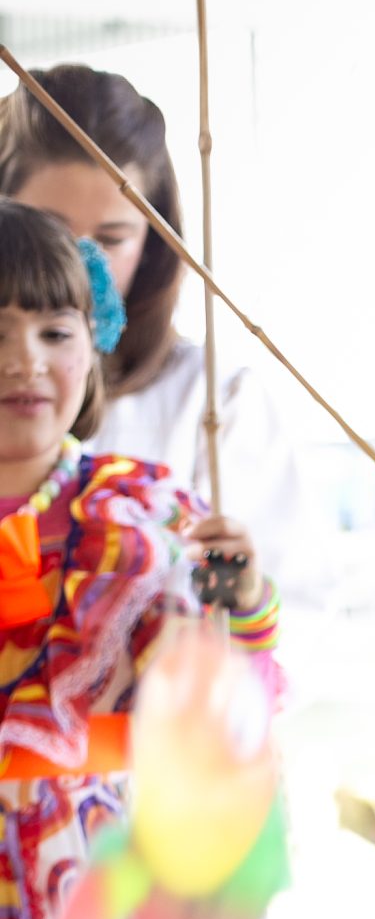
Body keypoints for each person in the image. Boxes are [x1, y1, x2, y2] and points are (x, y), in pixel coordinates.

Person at [0, 202, 281, 919]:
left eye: (54, 331)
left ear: (92, 345)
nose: (24, 361)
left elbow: (232, 710)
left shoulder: (149, 515)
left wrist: (246, 602)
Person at [0, 65, 310, 599]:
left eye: (113, 238)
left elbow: (278, 613)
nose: (80, 263)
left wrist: (237, 602)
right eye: (47, 231)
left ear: (155, 241)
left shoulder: (215, 399)